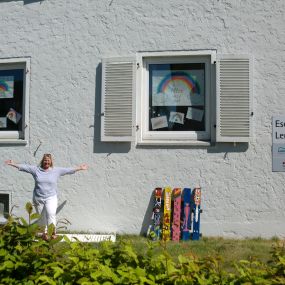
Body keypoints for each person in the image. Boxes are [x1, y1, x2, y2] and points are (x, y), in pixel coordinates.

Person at [5, 154, 88, 240]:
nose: (46, 162)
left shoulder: (56, 170)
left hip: (51, 197)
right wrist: (14, 164)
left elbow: (68, 170)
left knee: (51, 214)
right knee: (41, 217)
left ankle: (52, 233)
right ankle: (43, 234)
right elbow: (25, 167)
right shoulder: (36, 170)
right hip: (38, 198)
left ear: (51, 161)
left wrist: (79, 168)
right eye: (45, 160)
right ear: (42, 161)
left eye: (48, 160)